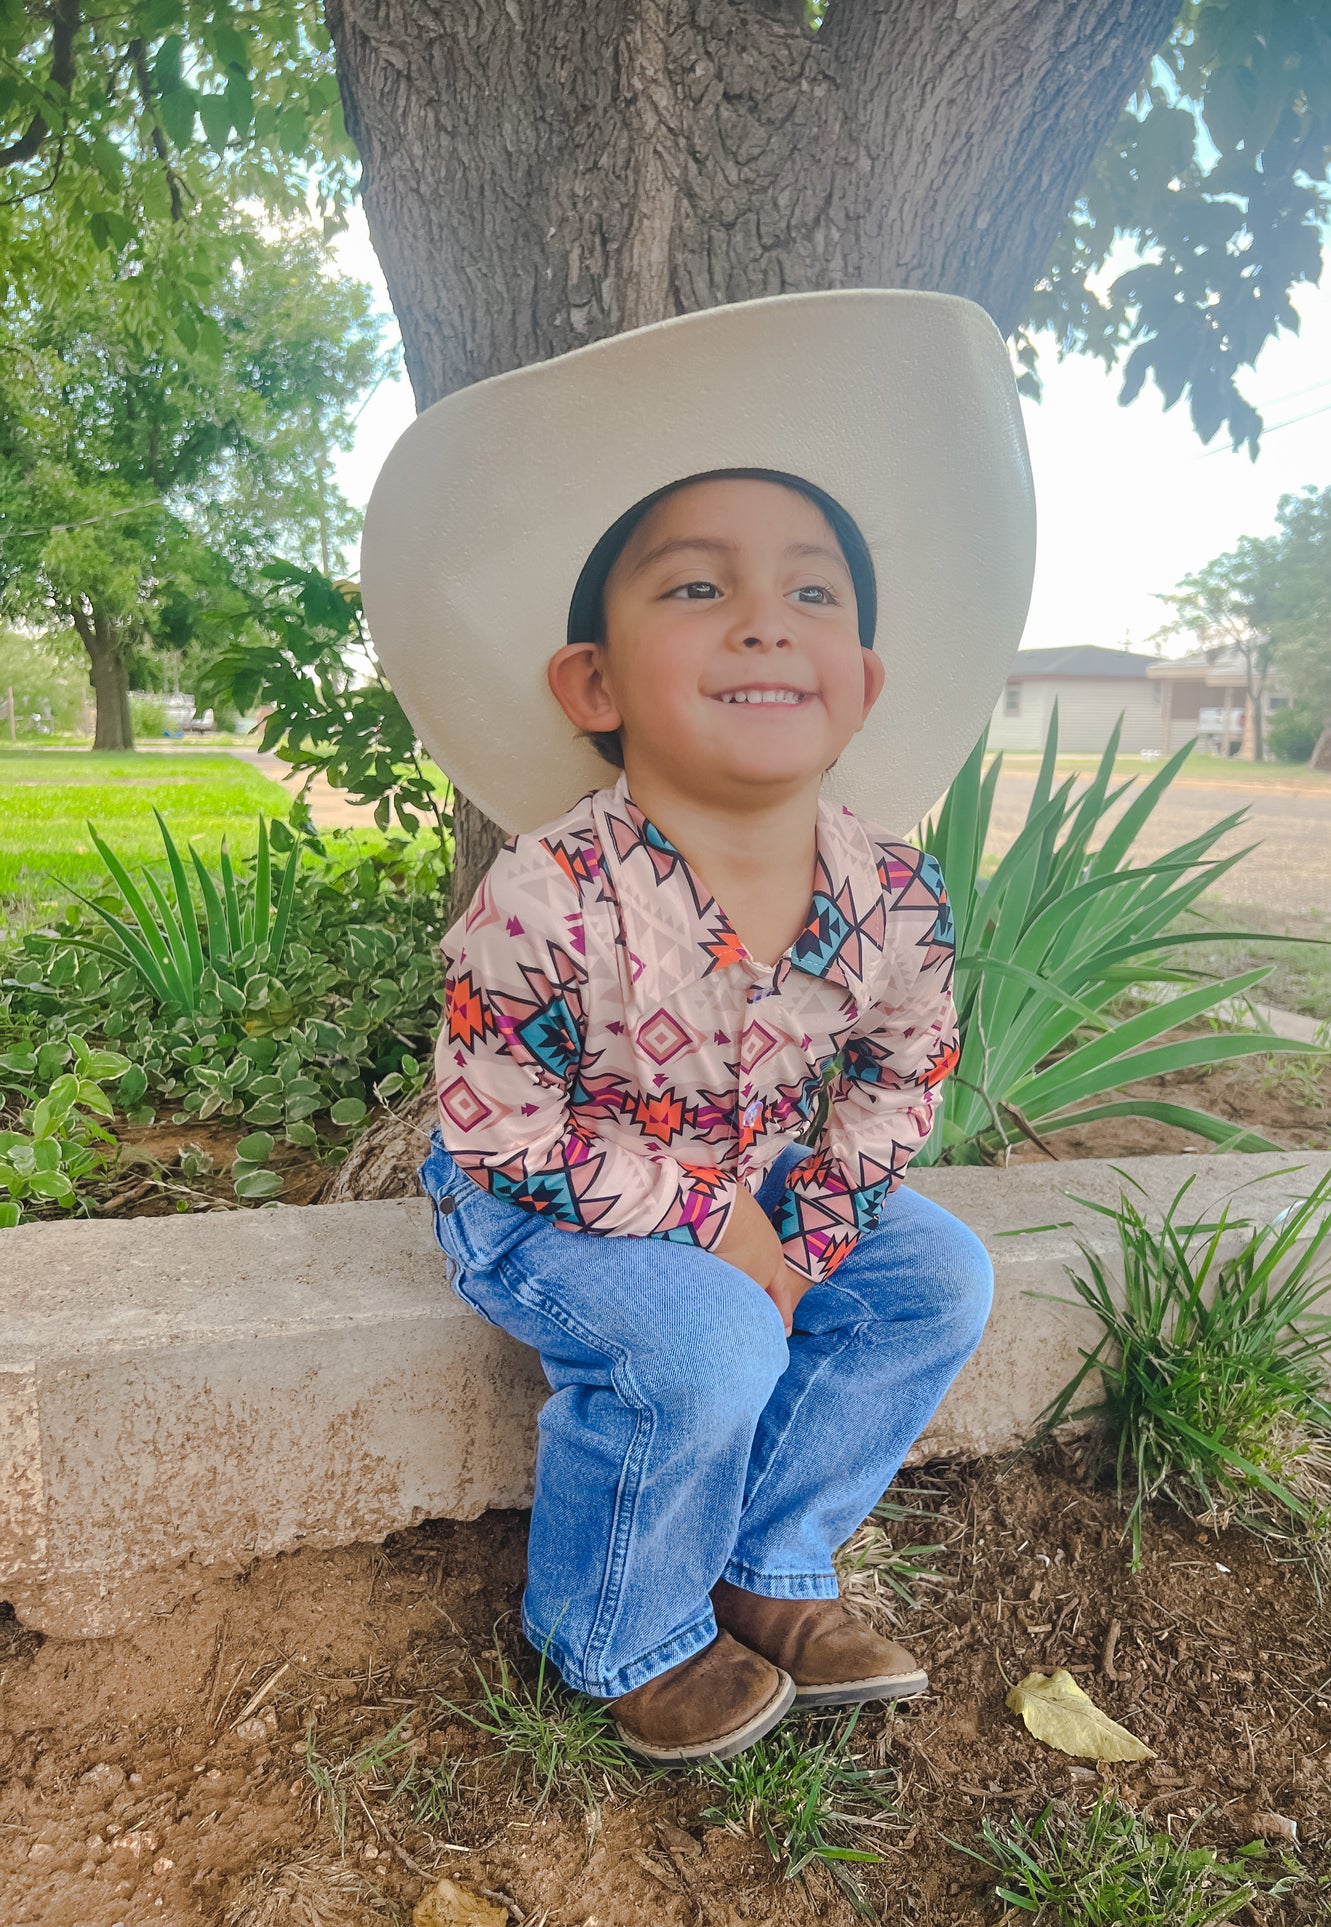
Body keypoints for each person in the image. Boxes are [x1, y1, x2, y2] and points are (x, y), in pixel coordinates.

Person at [360, 290, 1035, 1765]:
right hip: (543, 1200)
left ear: (858, 684)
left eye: (811, 596)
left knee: (936, 1281)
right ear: (591, 685)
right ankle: (620, 1625)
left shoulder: (891, 895)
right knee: (705, 1340)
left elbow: (897, 1072)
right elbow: (500, 1121)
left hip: (762, 1172)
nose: (760, 622)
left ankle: (769, 1557)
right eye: (693, 590)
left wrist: (817, 1227)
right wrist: (717, 1234)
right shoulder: (549, 894)